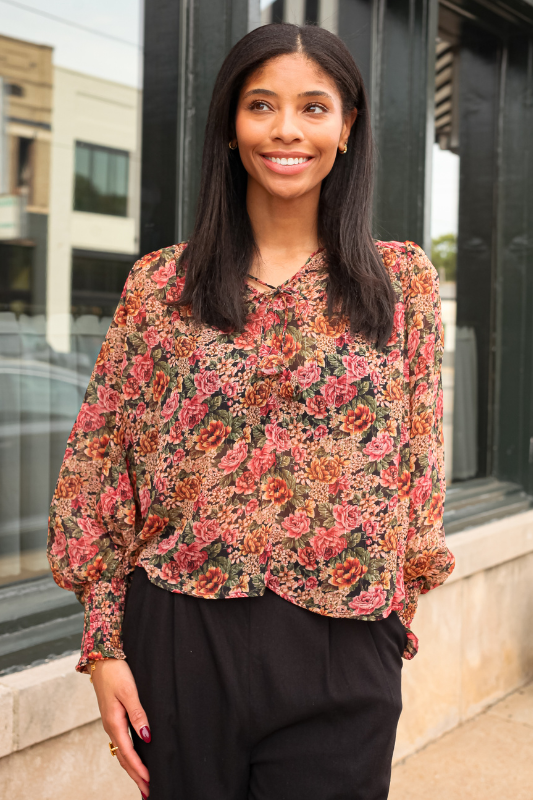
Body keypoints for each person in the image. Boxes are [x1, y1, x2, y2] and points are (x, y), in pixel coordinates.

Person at [47, 22, 455, 800]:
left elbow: (418, 465)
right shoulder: (159, 288)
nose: (286, 130)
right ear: (231, 130)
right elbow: (99, 463)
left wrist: (392, 616)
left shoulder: (400, 283)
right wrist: (105, 647)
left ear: (347, 126)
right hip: (180, 634)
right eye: (260, 105)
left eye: (312, 107)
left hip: (344, 638)